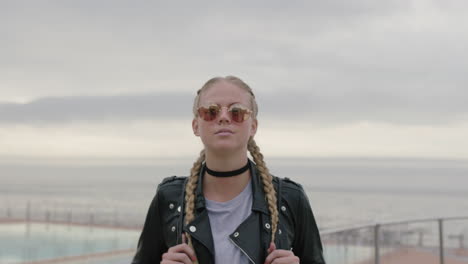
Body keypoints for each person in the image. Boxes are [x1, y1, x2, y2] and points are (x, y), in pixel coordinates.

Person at [132, 76, 325, 264]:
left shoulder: (290, 198)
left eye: (237, 111)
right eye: (211, 111)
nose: (224, 118)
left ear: (253, 127)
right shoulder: (169, 198)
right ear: (196, 126)